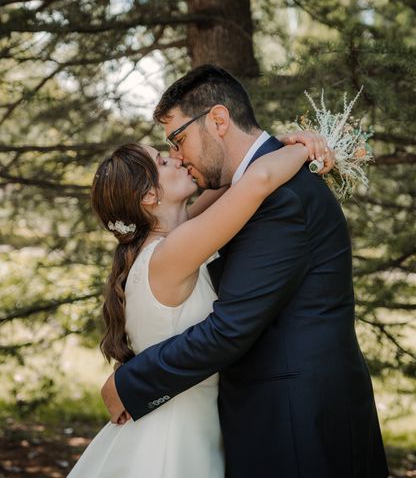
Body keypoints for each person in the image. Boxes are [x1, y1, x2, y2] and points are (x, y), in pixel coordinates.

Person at [101, 64, 390, 478]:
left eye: (178, 140)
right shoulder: (239, 195)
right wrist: (298, 147)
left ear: (218, 120)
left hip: (296, 423)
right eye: (169, 153)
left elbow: (231, 327)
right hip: (256, 420)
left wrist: (131, 383)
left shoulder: (280, 199)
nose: (178, 157)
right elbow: (249, 183)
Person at [67, 133, 331, 477]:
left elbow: (236, 176)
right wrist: (305, 148)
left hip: (179, 422)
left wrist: (274, 142)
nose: (175, 159)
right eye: (162, 162)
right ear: (149, 195)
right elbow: (258, 180)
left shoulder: (171, 241)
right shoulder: (171, 253)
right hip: (174, 437)